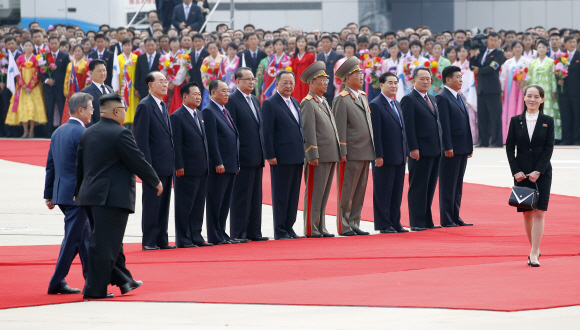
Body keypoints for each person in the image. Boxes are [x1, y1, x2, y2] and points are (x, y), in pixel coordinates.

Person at [76, 93, 162, 299]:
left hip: (90, 196)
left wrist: (78, 192)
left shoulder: (88, 132)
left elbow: (80, 166)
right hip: (111, 198)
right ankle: (95, 289)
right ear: (116, 111)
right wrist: (155, 181)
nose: (125, 112)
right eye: (123, 109)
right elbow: (137, 160)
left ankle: (124, 280)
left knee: (108, 243)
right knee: (104, 246)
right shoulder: (120, 133)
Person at [44, 92, 93, 295]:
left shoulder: (58, 132)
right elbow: (86, 167)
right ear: (80, 110)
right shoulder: (83, 133)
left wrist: (49, 193)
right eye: (90, 108)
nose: (93, 112)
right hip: (77, 195)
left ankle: (92, 280)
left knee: (85, 238)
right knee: (73, 239)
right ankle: (56, 280)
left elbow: (51, 165)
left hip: (62, 194)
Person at [505, 85, 554, 267]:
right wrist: (516, 171)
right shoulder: (515, 121)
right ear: (524, 98)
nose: (532, 99)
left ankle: (534, 251)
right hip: (521, 174)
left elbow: (549, 148)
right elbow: (510, 148)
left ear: (541, 100)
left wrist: (538, 170)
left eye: (536, 97)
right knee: (527, 213)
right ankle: (534, 246)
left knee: (539, 212)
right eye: (529, 96)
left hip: (542, 172)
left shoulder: (548, 120)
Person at [333, 57, 375, 236]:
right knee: (347, 190)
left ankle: (354, 222)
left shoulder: (363, 97)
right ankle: (344, 224)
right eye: (357, 74)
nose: (361, 77)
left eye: (361, 74)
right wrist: (342, 151)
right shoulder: (342, 99)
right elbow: (339, 128)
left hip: (365, 150)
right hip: (350, 152)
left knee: (360, 189)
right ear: (348, 78)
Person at [262, 70, 306, 240]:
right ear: (277, 84)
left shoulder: (295, 102)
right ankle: (280, 230)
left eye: (291, 83)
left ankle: (289, 227)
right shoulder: (270, 103)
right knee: (281, 194)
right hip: (280, 156)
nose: (289, 86)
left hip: (297, 155)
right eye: (285, 83)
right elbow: (267, 132)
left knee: (294, 194)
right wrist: (270, 154)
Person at [133, 72, 175, 250]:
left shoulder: (163, 105)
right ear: (150, 85)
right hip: (153, 166)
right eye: (161, 82)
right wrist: (147, 167)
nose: (165, 84)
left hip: (166, 164)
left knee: (164, 205)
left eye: (166, 81)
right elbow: (141, 140)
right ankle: (149, 241)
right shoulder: (145, 106)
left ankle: (161, 239)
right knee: (152, 204)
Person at [226, 68, 268, 241]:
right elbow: (232, 131)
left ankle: (253, 232)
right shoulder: (233, 100)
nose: (252, 82)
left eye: (253, 79)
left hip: (256, 155)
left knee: (255, 196)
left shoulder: (255, 100)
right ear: (237, 81)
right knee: (241, 196)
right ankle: (239, 232)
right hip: (242, 156)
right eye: (247, 79)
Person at [300, 61, 340, 238]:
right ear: (311, 82)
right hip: (318, 155)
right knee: (315, 194)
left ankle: (320, 226)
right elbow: (309, 130)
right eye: (321, 80)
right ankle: (311, 228)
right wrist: (312, 153)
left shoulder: (322, 101)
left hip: (330, 154)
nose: (325, 83)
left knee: (323, 194)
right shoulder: (308, 102)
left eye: (326, 79)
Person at [170, 82, 213, 248]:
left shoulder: (200, 115)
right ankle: (184, 238)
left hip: (202, 167)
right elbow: (177, 144)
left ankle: (196, 235)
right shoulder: (177, 116)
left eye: (199, 94)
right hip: (186, 169)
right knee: (185, 204)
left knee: (198, 204)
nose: (198, 97)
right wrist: (178, 165)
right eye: (194, 94)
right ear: (185, 96)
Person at [401, 67, 442, 231]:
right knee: (418, 186)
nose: (426, 82)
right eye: (422, 79)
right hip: (420, 151)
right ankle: (417, 222)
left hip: (434, 148)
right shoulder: (409, 99)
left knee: (430, 186)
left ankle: (427, 220)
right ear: (413, 81)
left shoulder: (431, 98)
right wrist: (413, 148)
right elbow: (408, 126)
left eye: (428, 79)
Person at [202, 79, 241, 244]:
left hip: (230, 162)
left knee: (225, 202)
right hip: (220, 165)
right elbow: (212, 141)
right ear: (212, 93)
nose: (227, 94)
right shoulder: (209, 111)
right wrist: (218, 162)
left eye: (228, 91)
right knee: (216, 201)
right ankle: (214, 234)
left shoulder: (225, 110)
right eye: (223, 91)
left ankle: (222, 232)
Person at [369, 72, 409, 234]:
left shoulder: (396, 104)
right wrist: (378, 155)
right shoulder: (376, 104)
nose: (393, 86)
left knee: (396, 191)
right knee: (383, 191)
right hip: (384, 157)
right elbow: (376, 133)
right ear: (381, 85)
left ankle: (395, 221)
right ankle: (384, 224)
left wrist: (405, 151)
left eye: (395, 83)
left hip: (398, 155)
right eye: (390, 83)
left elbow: (402, 130)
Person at [437, 66, 474, 227]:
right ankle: (446, 218)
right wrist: (447, 146)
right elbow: (444, 125)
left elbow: (465, 123)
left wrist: (469, 146)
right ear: (447, 79)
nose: (460, 80)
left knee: (457, 184)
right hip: (450, 149)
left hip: (462, 147)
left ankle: (455, 215)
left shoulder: (459, 96)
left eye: (461, 77)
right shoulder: (442, 97)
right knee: (448, 184)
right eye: (457, 77)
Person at [5, 39, 47, 138]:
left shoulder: (37, 58)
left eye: (29, 45)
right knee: (23, 109)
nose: (28, 47)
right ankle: (25, 130)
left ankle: (32, 130)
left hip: (34, 87)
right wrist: (22, 84)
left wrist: (30, 86)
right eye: (26, 45)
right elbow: (17, 73)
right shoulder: (19, 58)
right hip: (22, 87)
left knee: (32, 109)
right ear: (23, 47)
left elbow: (37, 73)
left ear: (33, 47)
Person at [472, 32, 506, 147]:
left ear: (498, 42)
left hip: (493, 90)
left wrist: (479, 71)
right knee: (482, 117)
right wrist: (472, 55)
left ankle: (497, 141)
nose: (493, 42)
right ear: (487, 40)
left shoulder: (499, 54)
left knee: (495, 117)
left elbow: (493, 67)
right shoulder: (482, 53)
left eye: (495, 40)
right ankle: (483, 140)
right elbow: (473, 66)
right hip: (481, 89)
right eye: (491, 39)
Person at [528, 39, 560, 141]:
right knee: (535, 112)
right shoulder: (532, 63)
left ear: (547, 49)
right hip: (535, 91)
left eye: (543, 47)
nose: (541, 49)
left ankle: (550, 136)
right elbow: (529, 77)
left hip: (547, 91)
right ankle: (536, 136)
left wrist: (554, 90)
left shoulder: (551, 62)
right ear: (536, 49)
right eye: (539, 47)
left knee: (548, 112)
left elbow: (553, 78)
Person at [500, 41, 531, 143]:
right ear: (512, 49)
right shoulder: (508, 63)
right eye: (515, 47)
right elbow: (503, 78)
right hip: (510, 92)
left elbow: (530, 76)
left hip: (522, 89)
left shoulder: (527, 62)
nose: (517, 49)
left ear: (522, 48)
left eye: (519, 47)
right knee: (510, 109)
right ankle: (510, 136)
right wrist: (503, 90)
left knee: (523, 109)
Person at [40, 36, 70, 137]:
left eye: (55, 43)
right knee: (49, 109)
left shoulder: (65, 56)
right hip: (49, 87)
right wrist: (46, 80)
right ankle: (48, 131)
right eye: (51, 43)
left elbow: (67, 72)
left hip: (60, 87)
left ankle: (63, 131)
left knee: (62, 109)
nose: (53, 45)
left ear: (59, 44)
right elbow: (40, 71)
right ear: (48, 44)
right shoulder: (44, 56)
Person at [453, 45, 479, 143]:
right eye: (460, 51)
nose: (462, 53)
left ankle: (473, 139)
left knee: (470, 115)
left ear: (468, 53)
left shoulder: (470, 64)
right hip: (457, 93)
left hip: (468, 94)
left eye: (464, 51)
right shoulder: (453, 65)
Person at [557, 36, 580, 145]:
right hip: (564, 91)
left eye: (574, 41)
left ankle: (577, 139)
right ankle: (566, 139)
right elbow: (556, 71)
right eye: (570, 42)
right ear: (565, 44)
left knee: (577, 116)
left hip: (577, 92)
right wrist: (558, 80)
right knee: (565, 116)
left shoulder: (579, 55)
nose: (572, 44)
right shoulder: (560, 56)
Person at [60, 45, 88, 125]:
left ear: (82, 52)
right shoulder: (70, 64)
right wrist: (66, 90)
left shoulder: (85, 63)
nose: (77, 53)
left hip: (81, 87)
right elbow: (67, 78)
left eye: (79, 51)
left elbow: (87, 78)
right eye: (76, 51)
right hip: (71, 89)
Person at [81, 59, 112, 126]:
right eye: (99, 71)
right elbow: (87, 118)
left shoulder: (110, 90)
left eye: (104, 70)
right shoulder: (86, 92)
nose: (103, 73)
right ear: (91, 73)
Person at [118, 38, 139, 128]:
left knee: (134, 109)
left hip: (133, 88)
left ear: (132, 46)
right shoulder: (118, 58)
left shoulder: (136, 58)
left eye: (129, 45)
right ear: (122, 46)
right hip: (122, 88)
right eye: (125, 45)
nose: (127, 47)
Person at [316, 35, 343, 104]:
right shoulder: (319, 55)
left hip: (332, 85)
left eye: (327, 42)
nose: (325, 44)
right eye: (323, 42)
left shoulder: (337, 56)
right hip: (321, 86)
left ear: (331, 43)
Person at [200, 41, 225, 108]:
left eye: (214, 48)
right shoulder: (206, 59)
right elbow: (203, 73)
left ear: (218, 48)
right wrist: (207, 84)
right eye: (210, 48)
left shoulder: (223, 58)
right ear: (207, 50)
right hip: (209, 85)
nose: (212, 50)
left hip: (220, 84)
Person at [291, 35, 315, 101]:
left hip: (306, 82)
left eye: (303, 42)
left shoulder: (310, 56)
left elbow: (312, 70)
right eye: (299, 42)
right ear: (296, 43)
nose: (301, 43)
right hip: (296, 82)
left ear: (306, 43)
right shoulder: (293, 57)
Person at [189, 34, 209, 100]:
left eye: (199, 41)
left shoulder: (207, 53)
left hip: (202, 81)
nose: (198, 43)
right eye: (196, 41)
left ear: (203, 42)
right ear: (193, 43)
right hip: (193, 81)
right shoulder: (190, 54)